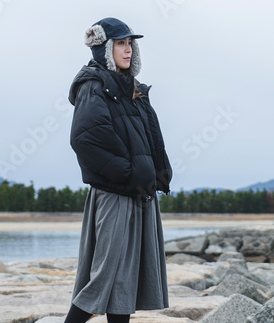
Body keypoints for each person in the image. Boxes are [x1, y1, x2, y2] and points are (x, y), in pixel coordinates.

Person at [63, 17, 174, 323]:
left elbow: (149, 138)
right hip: (115, 193)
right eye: (121, 43)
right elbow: (86, 139)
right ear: (105, 48)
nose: (128, 50)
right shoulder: (94, 85)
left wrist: (157, 175)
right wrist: (127, 172)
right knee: (102, 278)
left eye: (130, 44)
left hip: (139, 193)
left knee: (124, 282)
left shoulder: (132, 89)